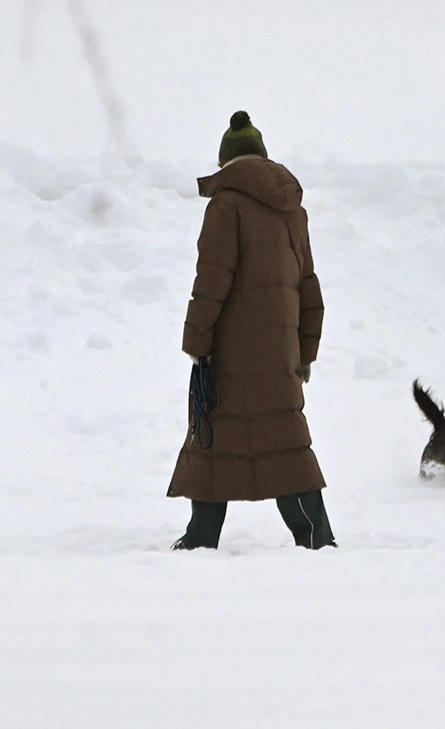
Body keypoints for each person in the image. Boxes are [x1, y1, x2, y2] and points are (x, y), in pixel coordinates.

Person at [167, 111, 335, 549]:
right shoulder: (292, 210)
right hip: (280, 353)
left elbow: (211, 280)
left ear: (226, 162)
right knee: (284, 441)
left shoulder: (226, 204)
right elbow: (308, 285)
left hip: (230, 353)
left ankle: (201, 537)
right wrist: (305, 352)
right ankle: (317, 538)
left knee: (212, 435)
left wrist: (197, 343)